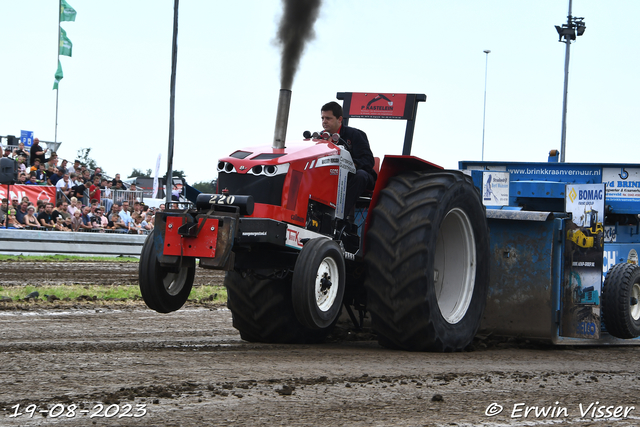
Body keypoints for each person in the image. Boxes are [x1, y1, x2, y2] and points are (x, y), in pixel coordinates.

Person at [321, 101, 377, 218]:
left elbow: (368, 160)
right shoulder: (319, 137)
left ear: (339, 119)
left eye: (328, 118)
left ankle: (339, 217)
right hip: (328, 175)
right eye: (322, 118)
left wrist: (351, 165)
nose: (324, 121)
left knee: (360, 176)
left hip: (355, 175)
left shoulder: (355, 134)